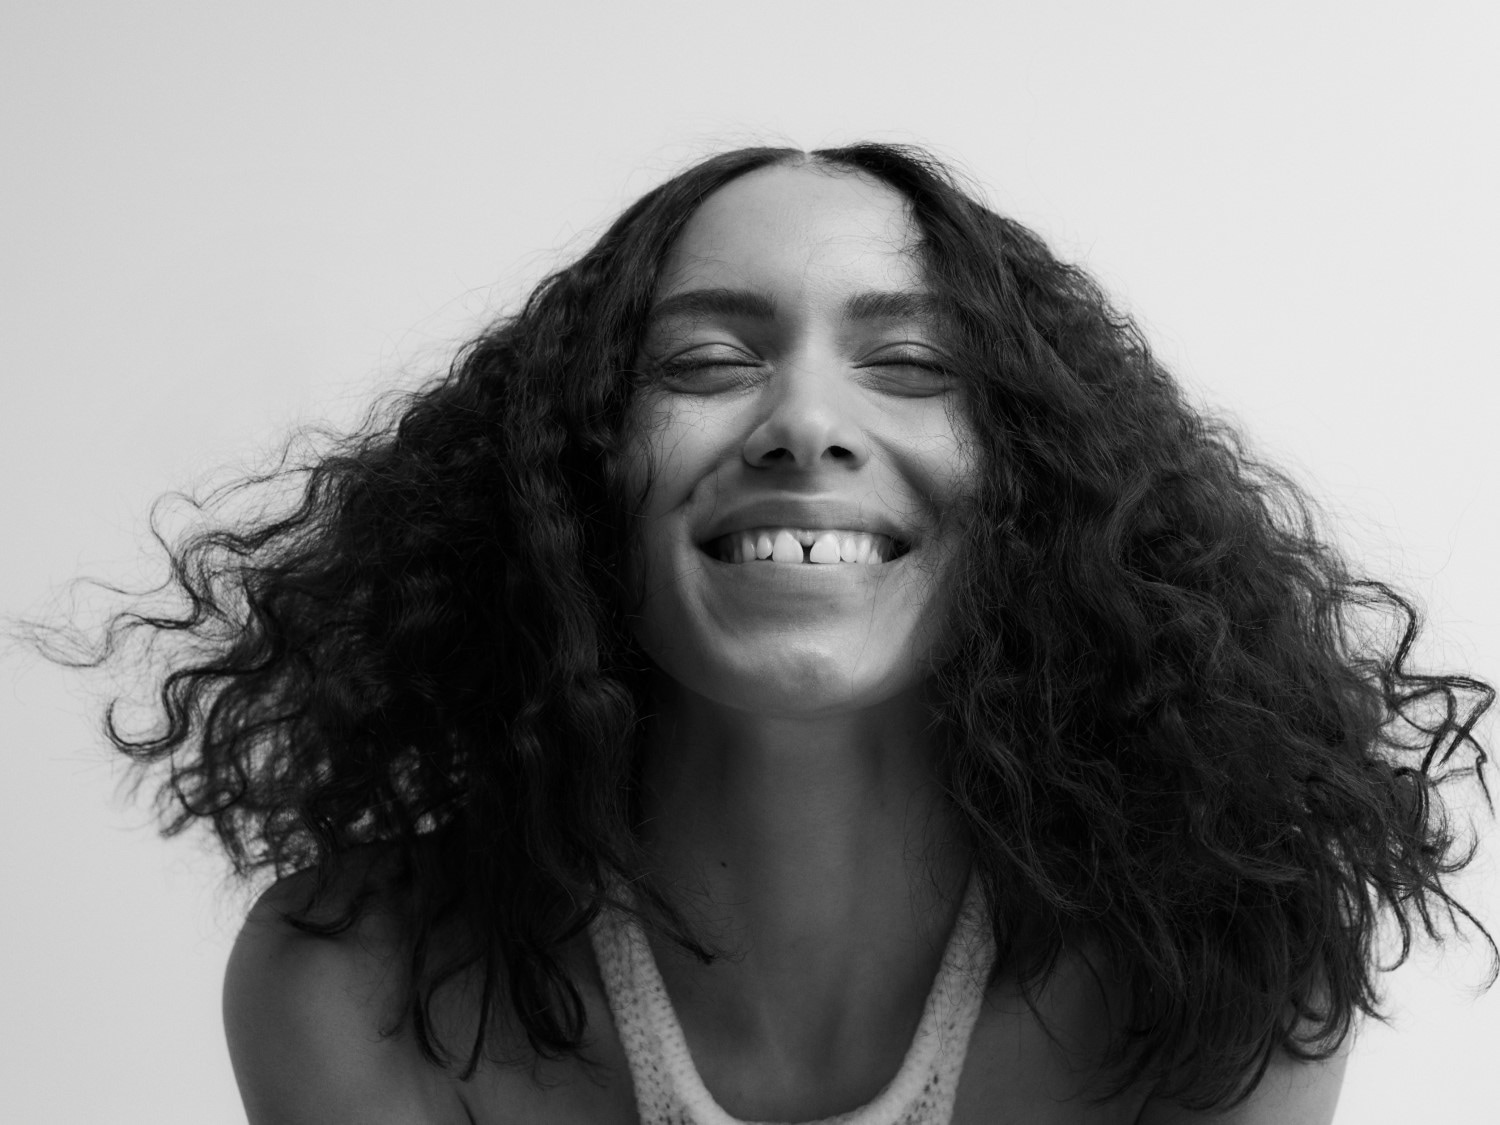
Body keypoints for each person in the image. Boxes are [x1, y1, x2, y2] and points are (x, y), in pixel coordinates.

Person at [88, 144, 1491, 1123]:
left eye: (911, 365)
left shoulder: (1223, 974)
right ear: (572, 481)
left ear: (1036, 486)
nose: (807, 421)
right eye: (704, 363)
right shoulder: (358, 987)